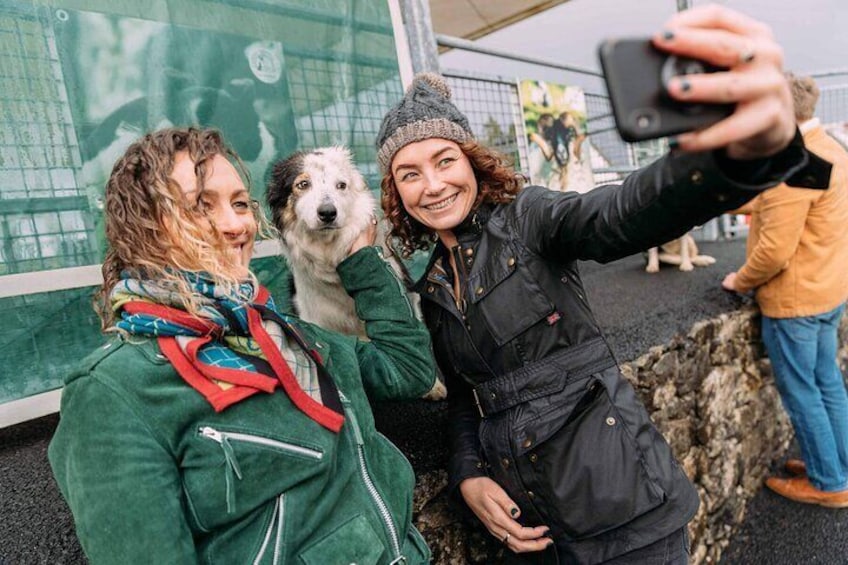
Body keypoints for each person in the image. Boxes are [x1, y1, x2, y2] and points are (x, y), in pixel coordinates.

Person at [376, 5, 831, 564]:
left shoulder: (529, 218)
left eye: (444, 160)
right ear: (395, 193)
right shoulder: (434, 286)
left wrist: (725, 158)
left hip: (629, 518)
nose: (432, 185)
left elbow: (620, 213)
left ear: (471, 162)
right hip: (539, 531)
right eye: (409, 174)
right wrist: (467, 472)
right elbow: (467, 402)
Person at [48, 127, 436, 564]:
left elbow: (408, 369)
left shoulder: (283, 332)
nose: (237, 225)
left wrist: (362, 261)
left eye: (239, 204)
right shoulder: (113, 390)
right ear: (147, 227)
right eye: (200, 205)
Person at [722, 73, 848, 507]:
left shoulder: (794, 167)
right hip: (828, 292)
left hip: (796, 303)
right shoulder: (829, 150)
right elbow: (778, 200)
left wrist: (738, 280)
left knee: (803, 393)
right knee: (828, 383)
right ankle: (838, 464)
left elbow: (773, 251)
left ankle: (829, 482)